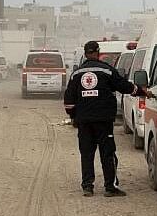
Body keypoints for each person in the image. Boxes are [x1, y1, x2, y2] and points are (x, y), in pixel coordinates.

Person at [64, 40, 151, 197]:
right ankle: (110, 187)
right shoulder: (107, 70)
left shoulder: (76, 74)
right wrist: (142, 91)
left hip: (84, 122)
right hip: (104, 121)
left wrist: (74, 117)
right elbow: (124, 86)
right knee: (108, 153)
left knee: (86, 153)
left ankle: (87, 187)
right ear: (98, 52)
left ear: (85, 54)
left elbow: (69, 100)